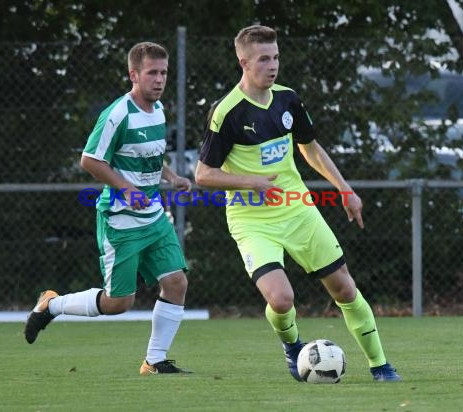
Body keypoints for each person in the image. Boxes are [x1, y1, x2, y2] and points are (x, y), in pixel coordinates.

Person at [195, 25, 401, 382]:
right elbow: (203, 174)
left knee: (345, 288)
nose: (272, 65)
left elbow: (310, 147)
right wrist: (251, 182)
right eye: (263, 59)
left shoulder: (288, 99)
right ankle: (293, 347)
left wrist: (344, 189)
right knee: (281, 299)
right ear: (243, 61)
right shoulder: (227, 112)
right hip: (252, 220)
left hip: (298, 210)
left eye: (275, 57)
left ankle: (381, 366)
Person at [24, 41, 193, 375]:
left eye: (163, 73)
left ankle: (154, 361)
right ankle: (52, 304)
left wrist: (172, 176)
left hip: (154, 217)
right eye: (152, 73)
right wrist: (128, 190)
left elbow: (150, 157)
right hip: (120, 220)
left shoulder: (158, 110)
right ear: (134, 74)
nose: (159, 80)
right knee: (119, 303)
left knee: (176, 283)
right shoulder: (117, 114)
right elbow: (89, 160)